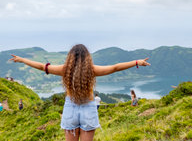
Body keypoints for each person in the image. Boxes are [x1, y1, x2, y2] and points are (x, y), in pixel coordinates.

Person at [10, 44, 150, 141]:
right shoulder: (92, 70)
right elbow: (114, 68)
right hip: (89, 108)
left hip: (70, 108)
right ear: (87, 57)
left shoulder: (65, 70)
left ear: (70, 57)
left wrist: (22, 59)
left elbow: (41, 66)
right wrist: (136, 61)